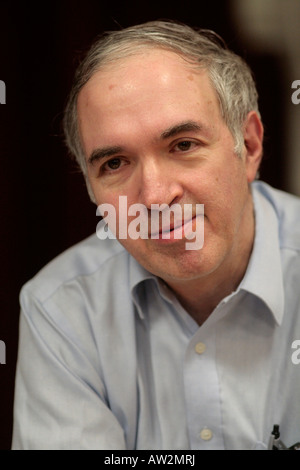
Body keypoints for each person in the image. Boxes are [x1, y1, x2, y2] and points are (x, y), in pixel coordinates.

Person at [12, 20, 300, 450]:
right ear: (91, 190)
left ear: (249, 146)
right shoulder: (62, 308)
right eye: (114, 164)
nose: (155, 196)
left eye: (183, 145)